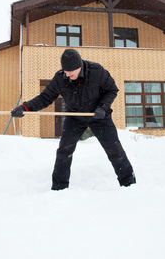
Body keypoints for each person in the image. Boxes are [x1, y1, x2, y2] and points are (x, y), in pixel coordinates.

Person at [11, 49, 136, 190]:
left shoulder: (96, 71)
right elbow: (45, 98)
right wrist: (25, 108)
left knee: (114, 150)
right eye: (65, 72)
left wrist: (103, 107)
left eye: (71, 72)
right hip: (75, 117)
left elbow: (112, 89)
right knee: (64, 151)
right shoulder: (60, 78)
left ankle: (129, 184)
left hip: (99, 116)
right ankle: (59, 188)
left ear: (80, 66)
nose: (68, 75)